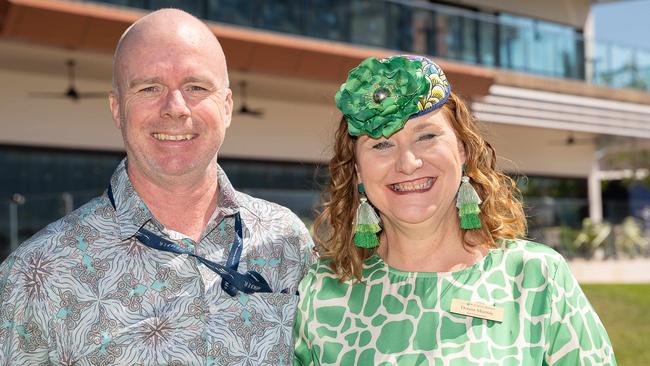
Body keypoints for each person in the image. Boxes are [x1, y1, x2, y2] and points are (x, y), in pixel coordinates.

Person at [0, 9, 313, 365]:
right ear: (117, 109)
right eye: (150, 88)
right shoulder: (36, 274)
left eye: (196, 87)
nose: (175, 108)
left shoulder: (288, 240)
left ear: (226, 107)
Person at [293, 55, 616, 365]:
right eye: (381, 144)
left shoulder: (533, 276)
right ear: (359, 171)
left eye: (427, 136)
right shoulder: (320, 290)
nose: (408, 163)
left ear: (462, 150)